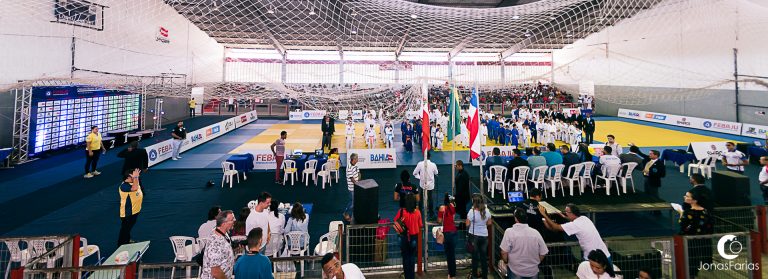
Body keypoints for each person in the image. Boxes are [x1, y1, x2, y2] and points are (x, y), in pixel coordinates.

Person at [540, 203, 611, 261]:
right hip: (604, 254)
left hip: (592, 258)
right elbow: (573, 219)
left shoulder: (574, 225)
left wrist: (544, 215)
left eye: (566, 212)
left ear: (572, 213)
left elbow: (555, 227)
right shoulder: (584, 218)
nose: (565, 213)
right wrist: (563, 216)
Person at [500, 208, 549, 279]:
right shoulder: (535, 233)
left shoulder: (509, 232)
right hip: (533, 272)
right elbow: (543, 252)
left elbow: (504, 252)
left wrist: (506, 261)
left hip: (515, 271)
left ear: (516, 219)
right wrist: (536, 263)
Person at [676, 190, 714, 278]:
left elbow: (683, 226)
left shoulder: (688, 213)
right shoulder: (706, 211)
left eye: (687, 196)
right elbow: (710, 227)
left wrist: (681, 213)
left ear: (694, 200)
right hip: (703, 242)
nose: (684, 197)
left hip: (689, 242)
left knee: (690, 261)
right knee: (695, 261)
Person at [201, 210, 235, 279]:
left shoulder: (221, 232)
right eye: (232, 220)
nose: (235, 220)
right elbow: (215, 272)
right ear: (224, 224)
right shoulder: (215, 243)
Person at [396, 194, 422, 279]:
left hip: (403, 237)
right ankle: (411, 276)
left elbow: (396, 222)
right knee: (412, 257)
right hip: (413, 237)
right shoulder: (417, 212)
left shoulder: (401, 211)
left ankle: (407, 276)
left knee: (405, 257)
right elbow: (420, 225)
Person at [467, 194, 492, 279]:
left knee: (475, 258)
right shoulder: (487, 211)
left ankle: (474, 276)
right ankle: (485, 276)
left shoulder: (472, 212)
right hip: (484, 236)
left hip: (474, 237)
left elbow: (467, 224)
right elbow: (489, 223)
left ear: (474, 202)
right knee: (483, 258)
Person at [118, 169, 143, 246]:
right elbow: (134, 189)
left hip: (135, 211)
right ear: (128, 177)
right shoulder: (124, 186)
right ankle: (121, 244)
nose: (137, 177)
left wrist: (135, 177)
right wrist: (136, 178)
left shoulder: (133, 181)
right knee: (125, 229)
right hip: (128, 213)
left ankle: (127, 240)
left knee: (128, 228)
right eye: (134, 176)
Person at [413, 152, 439, 219]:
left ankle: (419, 212)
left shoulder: (420, 164)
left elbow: (414, 173)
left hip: (422, 184)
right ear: (430, 157)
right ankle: (431, 213)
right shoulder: (433, 164)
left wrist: (420, 177)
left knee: (421, 198)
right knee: (430, 198)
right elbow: (436, 172)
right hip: (430, 185)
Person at [438, 194, 458, 279]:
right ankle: (453, 273)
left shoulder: (442, 208)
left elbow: (439, 221)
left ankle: (451, 274)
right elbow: (453, 218)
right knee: (452, 254)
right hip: (454, 232)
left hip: (447, 233)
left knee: (449, 255)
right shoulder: (452, 207)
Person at [344, 153, 360, 222]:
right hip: (352, 188)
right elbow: (352, 179)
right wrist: (358, 184)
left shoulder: (356, 166)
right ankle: (346, 213)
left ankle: (354, 211)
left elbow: (359, 173)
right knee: (352, 203)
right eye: (357, 158)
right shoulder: (349, 168)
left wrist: (359, 181)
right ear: (353, 159)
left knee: (355, 201)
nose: (358, 160)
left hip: (356, 187)